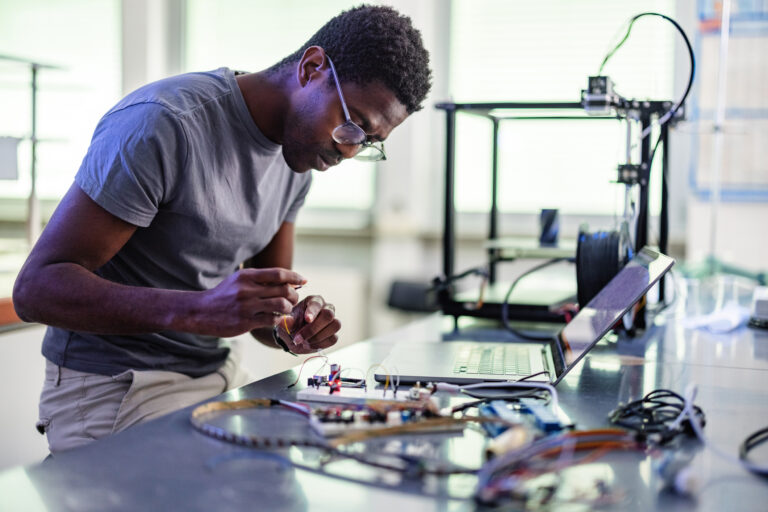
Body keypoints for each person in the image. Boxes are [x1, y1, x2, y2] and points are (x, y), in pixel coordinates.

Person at [12, 4, 432, 453]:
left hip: (216, 376)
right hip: (117, 387)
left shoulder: (300, 159)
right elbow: (36, 290)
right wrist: (199, 310)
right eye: (354, 126)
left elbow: (265, 313)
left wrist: (292, 327)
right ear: (312, 69)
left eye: (368, 142)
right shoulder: (165, 123)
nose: (349, 152)